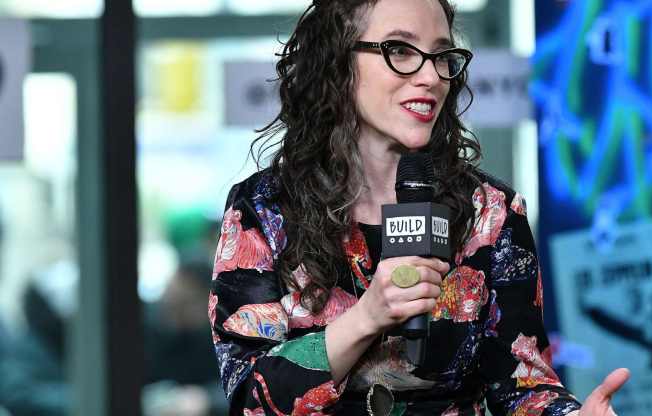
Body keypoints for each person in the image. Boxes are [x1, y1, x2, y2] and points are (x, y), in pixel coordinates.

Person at [208, 0, 630, 415]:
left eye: (442, 56)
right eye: (400, 50)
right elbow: (250, 399)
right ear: (336, 61)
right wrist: (368, 317)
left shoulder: (491, 213)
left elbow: (523, 387)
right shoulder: (263, 211)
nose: (431, 76)